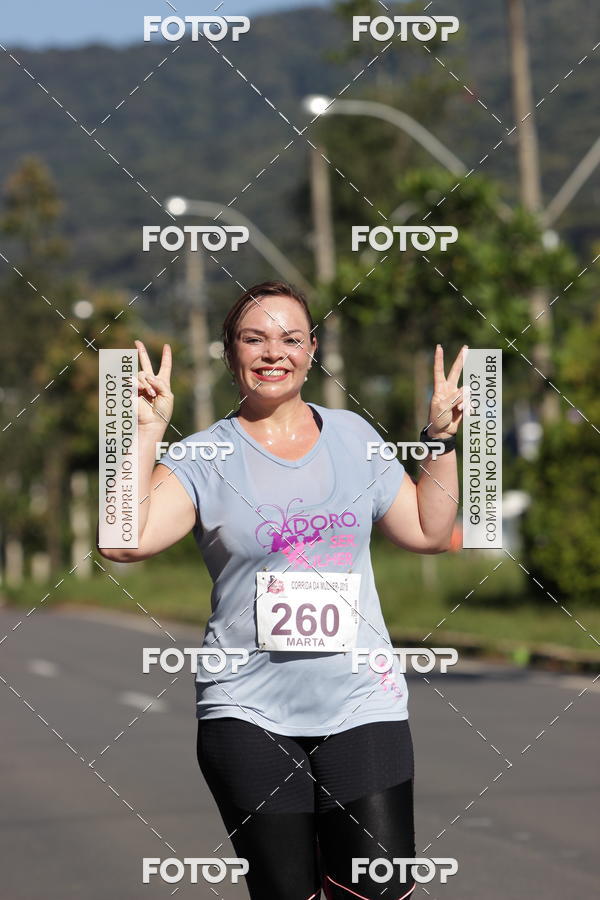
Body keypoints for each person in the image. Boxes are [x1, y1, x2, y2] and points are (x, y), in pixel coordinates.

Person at [99, 280, 465, 899]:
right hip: (248, 711)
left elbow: (431, 530)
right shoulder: (203, 455)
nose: (274, 352)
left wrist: (441, 440)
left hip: (361, 701)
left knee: (376, 890)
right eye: (255, 338)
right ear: (229, 353)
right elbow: (122, 541)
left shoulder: (355, 437)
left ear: (312, 350)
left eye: (291, 339)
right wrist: (140, 433)